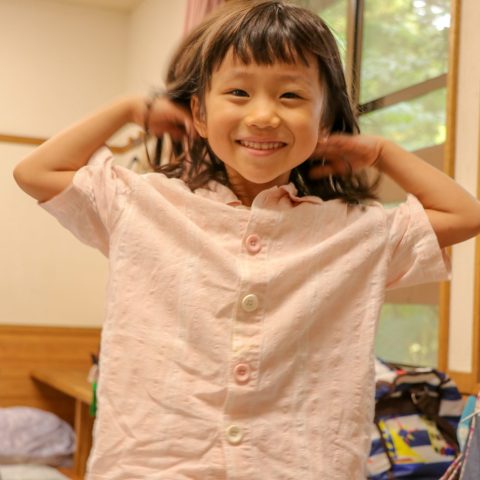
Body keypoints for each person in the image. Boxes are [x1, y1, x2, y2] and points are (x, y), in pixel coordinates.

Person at [12, 1, 480, 478]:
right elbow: (36, 171)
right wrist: (132, 109)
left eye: (291, 96)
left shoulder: (354, 230)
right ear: (198, 113)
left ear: (323, 120)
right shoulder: (142, 202)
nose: (263, 116)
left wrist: (382, 151)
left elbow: (464, 215)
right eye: (238, 92)